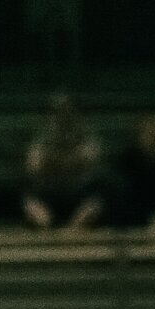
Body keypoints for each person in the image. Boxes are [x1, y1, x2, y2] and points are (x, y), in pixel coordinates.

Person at [21, 95, 106, 232]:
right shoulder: (41, 139)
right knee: (30, 198)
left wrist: (53, 162)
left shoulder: (87, 136)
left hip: (79, 192)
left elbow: (90, 158)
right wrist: (70, 161)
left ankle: (72, 231)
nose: (62, 117)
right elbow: (34, 167)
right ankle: (46, 231)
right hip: (49, 192)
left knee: (98, 198)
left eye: (67, 112)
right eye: (56, 112)